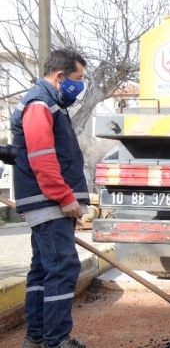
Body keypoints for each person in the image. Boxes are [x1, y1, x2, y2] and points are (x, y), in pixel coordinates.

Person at [11, 49, 90, 348]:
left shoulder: (50, 103)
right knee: (62, 267)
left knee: (44, 269)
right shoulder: (39, 103)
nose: (80, 86)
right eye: (77, 79)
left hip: (48, 202)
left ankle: (37, 338)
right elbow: (43, 157)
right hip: (50, 203)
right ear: (60, 76)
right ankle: (56, 341)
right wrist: (64, 196)